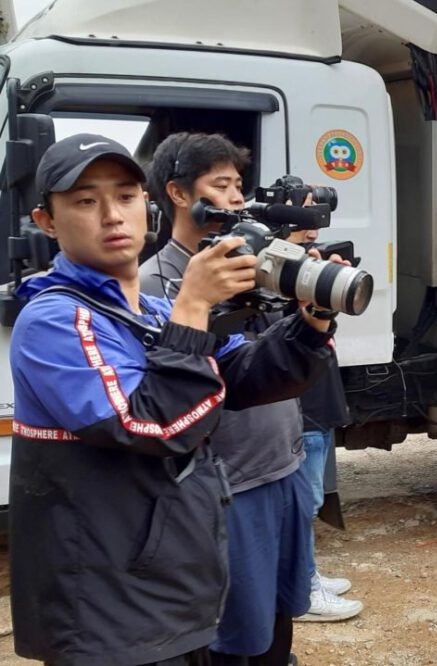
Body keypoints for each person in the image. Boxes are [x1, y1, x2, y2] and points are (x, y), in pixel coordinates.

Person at [9, 134, 335, 665]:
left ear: (148, 206)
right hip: (108, 611)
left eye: (126, 196)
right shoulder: (54, 320)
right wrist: (195, 306)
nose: (112, 216)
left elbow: (244, 374)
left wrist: (311, 319)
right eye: (86, 201)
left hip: (170, 591)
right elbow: (149, 424)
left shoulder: (153, 312)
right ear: (47, 221)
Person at [139, 132, 360, 664]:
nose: (237, 198)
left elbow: (275, 366)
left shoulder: (259, 265)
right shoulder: (156, 284)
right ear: (177, 193)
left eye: (239, 185)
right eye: (221, 185)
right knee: (235, 638)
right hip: (228, 488)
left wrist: (314, 309)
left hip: (280, 470)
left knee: (279, 628)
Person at [286, 225, 365, 622]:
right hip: (306, 410)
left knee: (310, 500)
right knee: (304, 503)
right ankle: (303, 590)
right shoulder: (282, 272)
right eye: (303, 209)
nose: (314, 221)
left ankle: (308, 573)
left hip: (318, 405)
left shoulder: (304, 265)